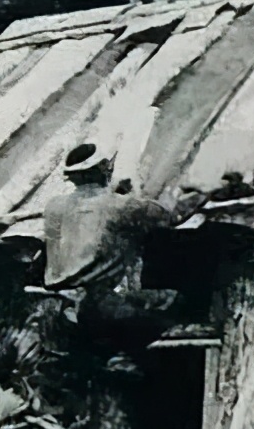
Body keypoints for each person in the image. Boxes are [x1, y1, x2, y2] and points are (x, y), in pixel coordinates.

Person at [43, 143, 209, 352]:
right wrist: (204, 191)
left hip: (59, 303)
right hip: (98, 305)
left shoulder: (53, 206)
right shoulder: (122, 206)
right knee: (175, 308)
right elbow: (171, 216)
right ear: (104, 168)